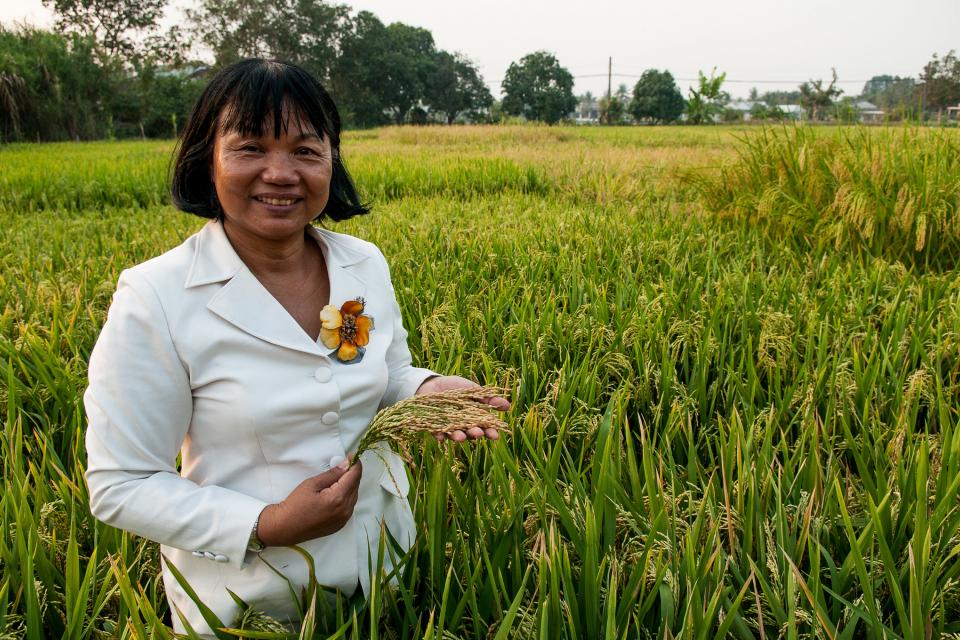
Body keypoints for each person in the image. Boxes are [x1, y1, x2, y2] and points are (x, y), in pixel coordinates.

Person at [83, 58, 509, 637]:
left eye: (306, 150)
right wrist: (268, 523)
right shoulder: (156, 295)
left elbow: (387, 373)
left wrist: (428, 389)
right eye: (250, 148)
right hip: (247, 605)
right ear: (207, 159)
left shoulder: (362, 263)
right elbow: (121, 484)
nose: (281, 173)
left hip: (382, 570)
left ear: (332, 161)